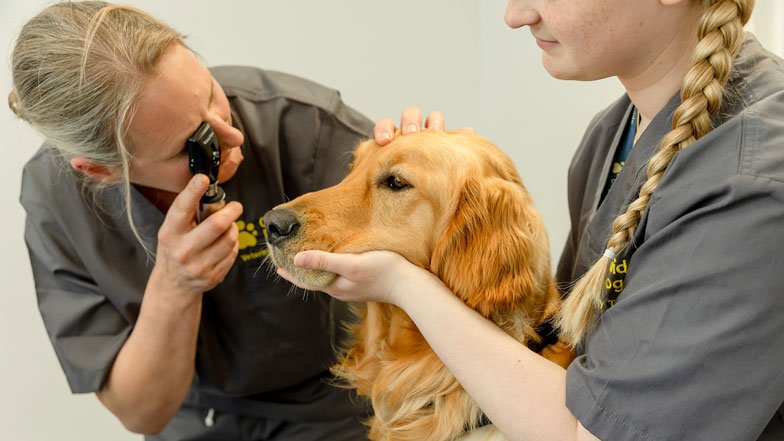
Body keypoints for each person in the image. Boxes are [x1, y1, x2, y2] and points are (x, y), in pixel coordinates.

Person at [277, 0, 784, 440]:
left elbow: (599, 433)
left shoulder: (753, 180)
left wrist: (403, 284)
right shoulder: (615, 133)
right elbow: (570, 347)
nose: (516, 14)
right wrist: (441, 171)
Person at [10, 1, 374, 440]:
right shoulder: (56, 201)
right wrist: (175, 285)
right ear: (103, 171)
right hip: (191, 416)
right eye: (193, 146)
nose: (232, 136)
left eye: (211, 96)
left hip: (337, 397)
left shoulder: (298, 123)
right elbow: (142, 414)